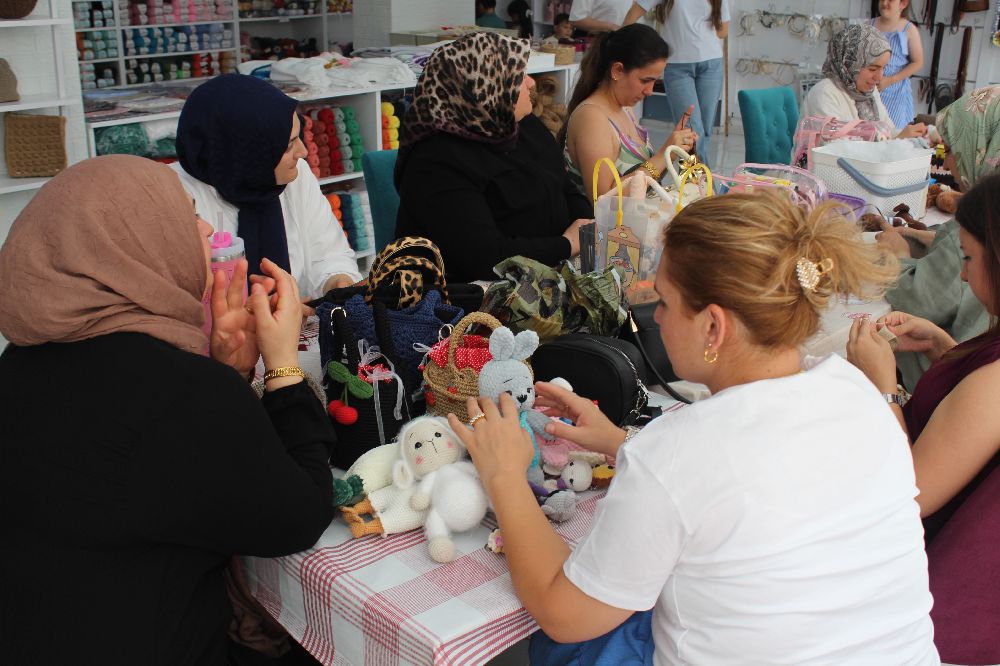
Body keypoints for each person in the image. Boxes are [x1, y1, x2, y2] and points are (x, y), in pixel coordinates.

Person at [449, 192, 939, 664]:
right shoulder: (859, 395)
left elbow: (564, 614)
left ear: (713, 327)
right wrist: (622, 443)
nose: (654, 317)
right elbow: (761, 480)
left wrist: (506, 477)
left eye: (662, 301)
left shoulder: (677, 453)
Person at [0, 155, 335, 664]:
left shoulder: (22, 362)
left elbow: (158, 473)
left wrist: (227, 372)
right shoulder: (177, 392)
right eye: (184, 215)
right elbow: (300, 516)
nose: (203, 228)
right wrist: (283, 366)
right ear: (127, 247)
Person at [847, 172, 1000, 662]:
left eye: (970, 259)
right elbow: (976, 424)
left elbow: (911, 492)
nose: (961, 275)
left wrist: (884, 386)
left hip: (944, 610)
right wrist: (944, 347)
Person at [394, 32, 593, 281]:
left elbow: (565, 186)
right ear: (482, 88)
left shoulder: (523, 127)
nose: (531, 83)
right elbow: (485, 257)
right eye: (518, 77)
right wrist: (566, 244)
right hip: (471, 299)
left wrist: (584, 227)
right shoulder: (435, 163)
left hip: (548, 274)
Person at [174, 73, 361, 301]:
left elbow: (329, 254)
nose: (302, 152)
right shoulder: (175, 197)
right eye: (288, 145)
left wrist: (338, 282)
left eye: (298, 137)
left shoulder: (296, 176)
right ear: (246, 154)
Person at [875, 85, 1000, 389]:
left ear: (980, 149)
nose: (945, 165)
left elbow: (920, 300)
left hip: (941, 388)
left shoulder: (985, 221)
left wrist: (897, 255)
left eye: (952, 151)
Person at [561, 23, 697, 197]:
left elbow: (645, 179)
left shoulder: (625, 109)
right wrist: (663, 154)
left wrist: (673, 151)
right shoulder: (592, 118)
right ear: (617, 71)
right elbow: (602, 201)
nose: (649, 91)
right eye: (644, 80)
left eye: (654, 81)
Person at [623, 0, 730, 168]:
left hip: (711, 64)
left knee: (704, 133)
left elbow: (723, 30)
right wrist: (623, 46)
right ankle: (704, 188)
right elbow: (633, 14)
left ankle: (694, 188)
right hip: (678, 66)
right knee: (691, 131)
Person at [800, 23, 926, 140]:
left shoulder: (869, 92)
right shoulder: (825, 94)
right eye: (873, 69)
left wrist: (913, 135)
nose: (879, 77)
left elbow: (888, 130)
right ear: (849, 63)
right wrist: (897, 141)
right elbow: (839, 151)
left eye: (883, 68)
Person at [871, 0, 922, 129]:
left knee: (892, 132)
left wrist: (890, 80)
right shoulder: (868, 26)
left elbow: (918, 62)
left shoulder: (909, 29)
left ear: (903, 4)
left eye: (891, 0)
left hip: (896, 92)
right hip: (870, 89)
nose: (884, 3)